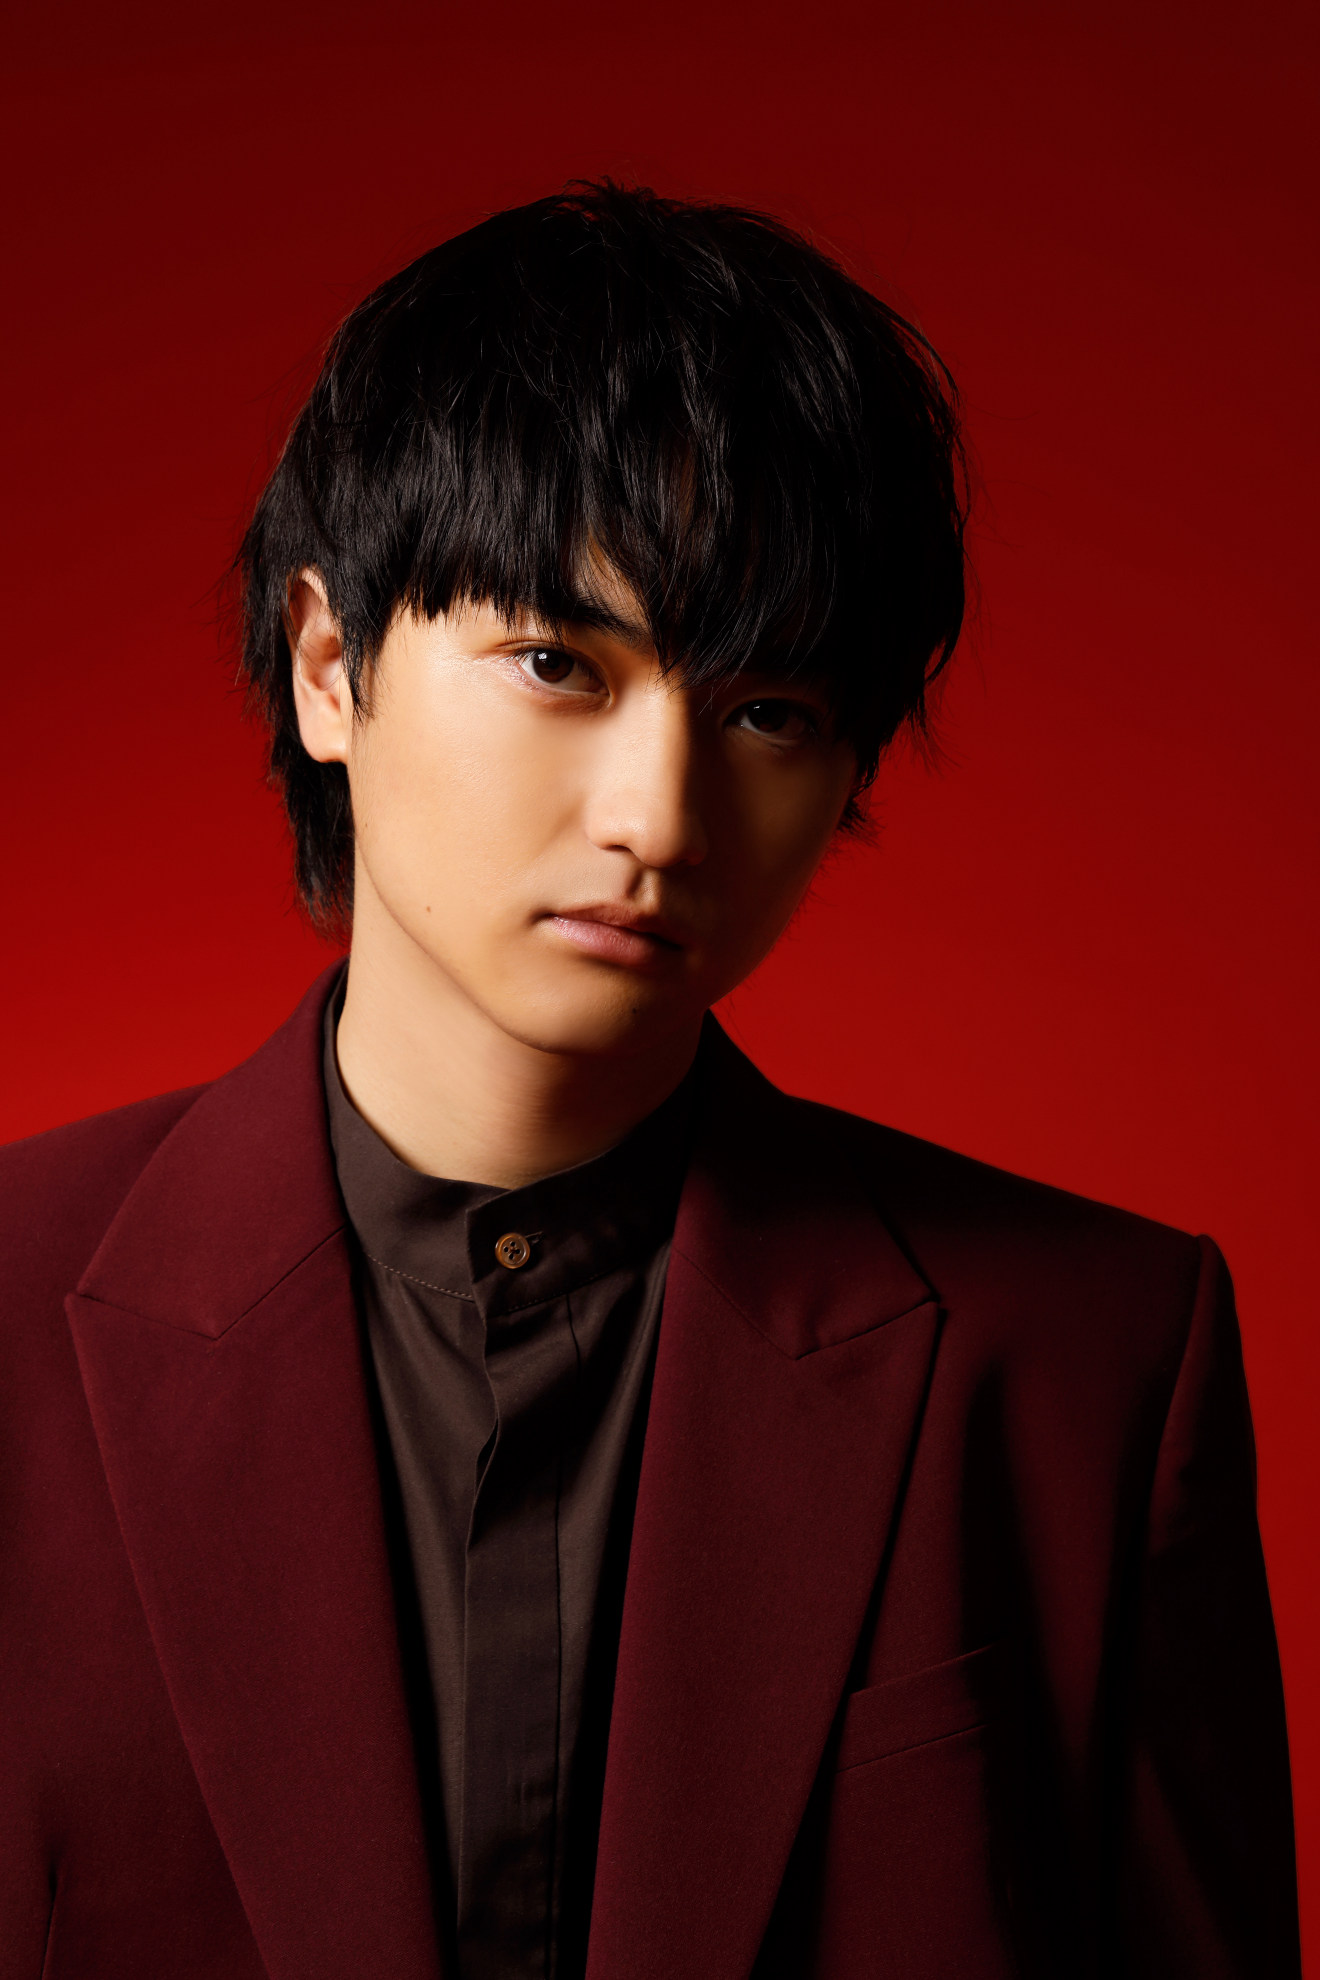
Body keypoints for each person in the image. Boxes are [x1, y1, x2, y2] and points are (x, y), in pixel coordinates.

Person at [0, 183, 1298, 1980]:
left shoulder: (1089, 1367)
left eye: (767, 712)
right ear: (329, 665)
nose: (661, 815)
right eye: (559, 665)